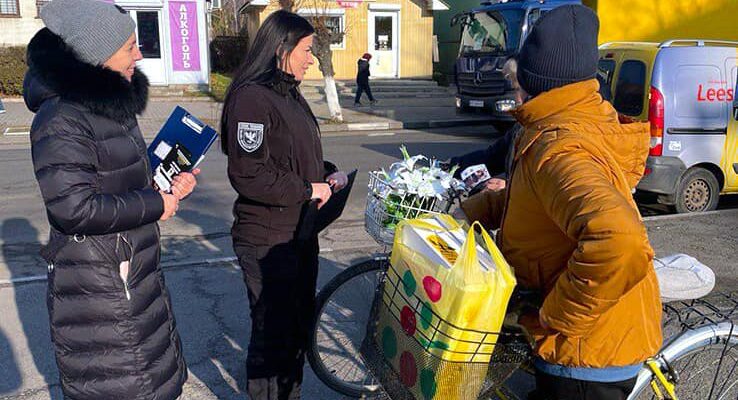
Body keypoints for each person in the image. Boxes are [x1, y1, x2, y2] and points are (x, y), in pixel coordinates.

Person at [459, 6, 662, 400]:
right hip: (584, 344)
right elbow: (533, 199)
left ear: (539, 84)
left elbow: (620, 241)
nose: (514, 90)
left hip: (585, 359)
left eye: (520, 81)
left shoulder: (560, 148)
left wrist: (555, 316)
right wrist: (473, 214)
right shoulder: (567, 122)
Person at [23, 0, 196, 398]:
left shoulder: (108, 104)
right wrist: (155, 205)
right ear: (96, 55)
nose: (140, 53)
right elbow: (73, 209)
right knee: (127, 386)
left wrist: (164, 190)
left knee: (153, 380)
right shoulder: (61, 119)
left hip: (129, 275)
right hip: (101, 289)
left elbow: (117, 182)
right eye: (130, 46)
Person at [219, 10, 349, 400]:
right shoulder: (251, 99)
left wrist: (329, 174)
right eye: (307, 50)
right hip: (267, 238)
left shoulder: (287, 92)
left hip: (298, 232)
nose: (312, 58)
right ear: (282, 48)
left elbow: (297, 158)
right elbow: (249, 173)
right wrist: (308, 190)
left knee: (295, 331)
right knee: (271, 338)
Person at [447, 57, 524, 193]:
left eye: (517, 89)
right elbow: (492, 157)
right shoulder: (519, 129)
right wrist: (451, 165)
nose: (517, 99)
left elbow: (549, 186)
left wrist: (509, 186)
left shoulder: (546, 131)